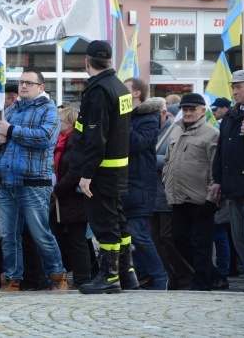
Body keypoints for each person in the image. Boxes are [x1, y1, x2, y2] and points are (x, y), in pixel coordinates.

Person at [0, 68, 68, 292]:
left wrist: (10, 132)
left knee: (40, 234)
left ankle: (58, 277)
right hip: (7, 183)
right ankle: (12, 279)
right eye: (21, 82)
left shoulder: (48, 110)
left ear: (41, 88)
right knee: (7, 235)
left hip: (33, 183)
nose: (23, 86)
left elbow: (44, 138)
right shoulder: (11, 111)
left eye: (29, 83)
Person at [69, 41, 134, 295]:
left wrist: (86, 175)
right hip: (117, 170)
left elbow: (97, 138)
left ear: (87, 62)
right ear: (109, 61)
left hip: (101, 172)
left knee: (105, 224)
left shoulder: (98, 91)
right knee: (118, 220)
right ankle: (126, 273)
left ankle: (109, 277)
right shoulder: (120, 87)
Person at [163, 92, 221, 291]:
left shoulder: (212, 134)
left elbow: (216, 168)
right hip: (178, 197)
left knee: (201, 242)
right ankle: (213, 274)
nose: (187, 113)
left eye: (192, 109)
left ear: (202, 111)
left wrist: (211, 198)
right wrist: (166, 181)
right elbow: (168, 161)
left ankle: (202, 282)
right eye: (185, 109)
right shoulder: (176, 131)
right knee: (179, 239)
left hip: (201, 198)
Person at [123, 78, 168, 290]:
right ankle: (138, 275)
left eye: (125, 88)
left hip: (140, 183)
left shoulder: (150, 118)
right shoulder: (127, 117)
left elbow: (137, 143)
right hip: (124, 182)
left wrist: (122, 120)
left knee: (138, 233)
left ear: (136, 94)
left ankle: (159, 276)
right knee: (125, 234)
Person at [148, 97, 193, 290]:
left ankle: (187, 275)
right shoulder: (149, 132)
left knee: (168, 238)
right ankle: (172, 276)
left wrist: (148, 160)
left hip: (167, 193)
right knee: (155, 239)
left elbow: (173, 161)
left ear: (164, 113)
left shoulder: (175, 131)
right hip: (151, 195)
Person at [212, 70, 244, 291]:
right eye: (233, 86)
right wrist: (217, 180)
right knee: (239, 239)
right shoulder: (231, 117)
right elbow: (221, 152)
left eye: (239, 86)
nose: (234, 91)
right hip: (233, 188)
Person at [50, 107, 91, 288]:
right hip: (60, 199)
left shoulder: (77, 142)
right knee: (58, 238)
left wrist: (57, 189)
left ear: (71, 123)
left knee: (77, 240)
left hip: (74, 199)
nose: (58, 125)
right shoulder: (59, 142)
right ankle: (62, 275)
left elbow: (75, 172)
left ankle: (82, 279)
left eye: (62, 121)